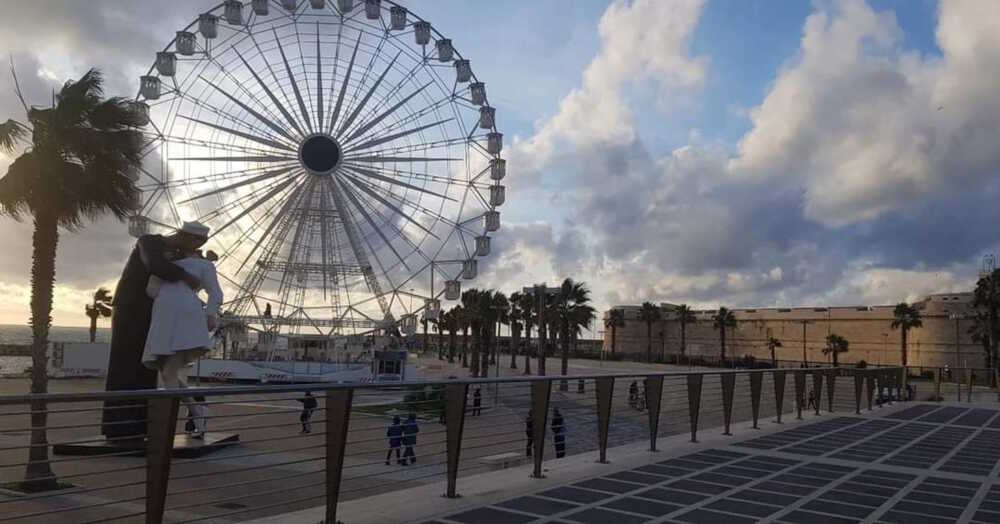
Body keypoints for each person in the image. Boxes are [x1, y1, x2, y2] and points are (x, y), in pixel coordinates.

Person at [103, 222, 206, 442]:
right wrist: (187, 276)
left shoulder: (177, 253)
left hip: (153, 312)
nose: (194, 246)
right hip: (130, 308)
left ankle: (138, 426)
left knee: (146, 366)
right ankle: (119, 426)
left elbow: (188, 269)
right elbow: (156, 265)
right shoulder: (148, 241)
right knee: (124, 363)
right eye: (195, 242)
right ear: (185, 236)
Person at [141, 221, 222, 439]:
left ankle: (165, 428)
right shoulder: (198, 266)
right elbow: (214, 294)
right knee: (167, 371)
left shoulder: (192, 266)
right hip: (168, 317)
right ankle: (198, 412)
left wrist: (209, 315)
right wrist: (208, 312)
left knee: (167, 372)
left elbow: (152, 290)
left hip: (179, 317)